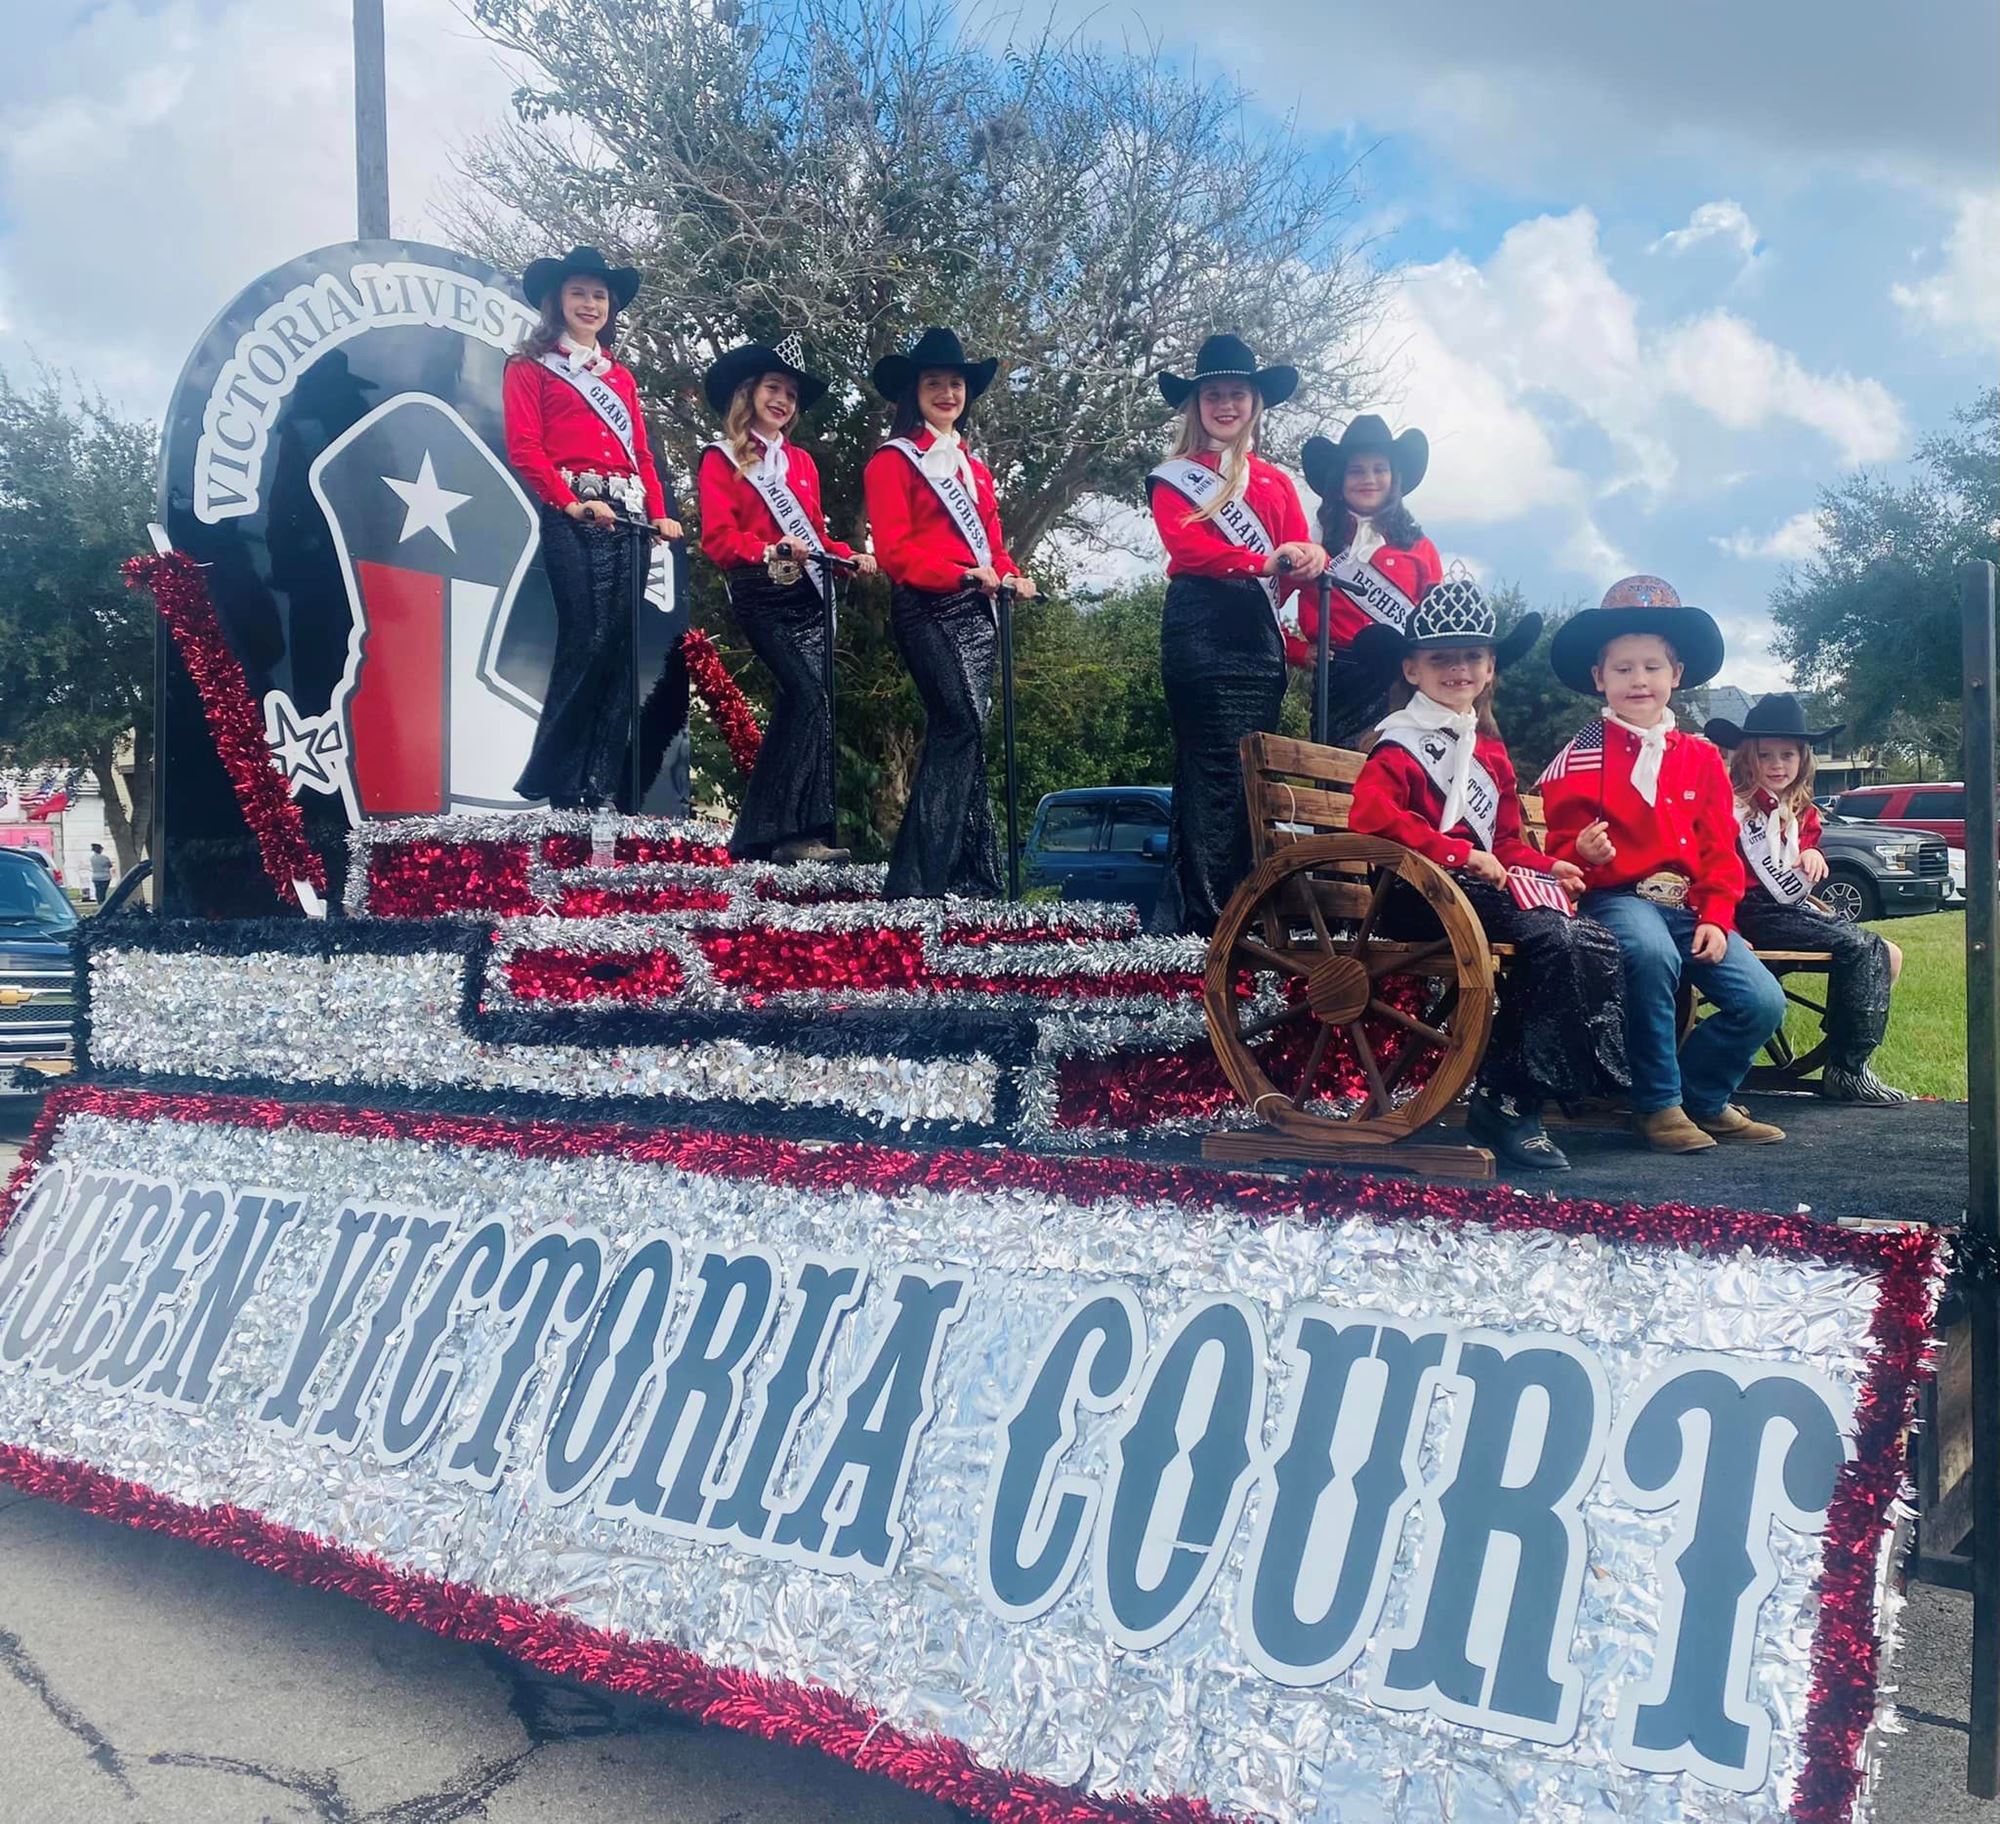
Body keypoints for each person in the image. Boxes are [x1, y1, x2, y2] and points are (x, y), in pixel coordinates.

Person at [1348, 576, 1626, 1169]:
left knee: (1593, 936)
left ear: (1491, 666)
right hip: (1411, 894)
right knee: (1551, 936)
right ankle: (1507, 1103)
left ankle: (1533, 1086)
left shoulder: (1488, 753)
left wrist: (1551, 863)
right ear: (1412, 669)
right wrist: (1454, 855)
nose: (1458, 669)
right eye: (1440, 658)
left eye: (1471, 656)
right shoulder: (1397, 745)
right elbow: (1371, 818)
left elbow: (1502, 843)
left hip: (1472, 893)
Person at [1538, 576, 1788, 1153]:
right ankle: (1657, 1106)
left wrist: (1717, 914)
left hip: (1692, 905)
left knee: (1762, 1001)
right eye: (1623, 669)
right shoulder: (1581, 756)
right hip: (1618, 898)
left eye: (1652, 667)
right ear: (1599, 678)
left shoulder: (1700, 756)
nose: (1638, 680)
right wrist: (1583, 854)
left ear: (1676, 675)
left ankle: (1702, 1097)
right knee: (1648, 954)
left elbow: (1720, 849)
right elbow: (1558, 852)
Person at [1146, 334, 1325, 936]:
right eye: (1214, 394)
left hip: (1258, 636)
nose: (1226, 405)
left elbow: (1298, 555)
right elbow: (1189, 547)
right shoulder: (1175, 476)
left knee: (1249, 766)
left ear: (1254, 404)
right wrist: (1262, 563)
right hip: (1203, 624)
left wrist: (1310, 556)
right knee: (1212, 763)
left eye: (1238, 395)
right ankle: (1207, 914)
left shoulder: (1276, 482)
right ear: (1196, 405)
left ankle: (1228, 909)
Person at [502, 246, 683, 811]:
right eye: (578, 292)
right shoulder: (528, 366)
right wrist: (569, 502)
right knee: (588, 638)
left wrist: (658, 510)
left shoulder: (620, 378)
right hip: (574, 516)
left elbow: (642, 455)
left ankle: (598, 784)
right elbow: (525, 449)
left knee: (621, 648)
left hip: (628, 518)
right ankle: (557, 778)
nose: (589, 303)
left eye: (599, 295)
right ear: (556, 300)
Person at [864, 327, 1036, 900]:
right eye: (934, 382)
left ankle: (971, 877)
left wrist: (1010, 574)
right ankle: (916, 883)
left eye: (955, 383)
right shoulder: (893, 461)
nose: (946, 392)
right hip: (928, 606)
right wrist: (960, 574)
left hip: (978, 612)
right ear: (914, 392)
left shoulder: (975, 468)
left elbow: (993, 543)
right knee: (960, 723)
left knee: (966, 735)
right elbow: (895, 552)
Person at [699, 336, 878, 864]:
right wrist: (768, 548)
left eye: (791, 395)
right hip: (762, 590)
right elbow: (718, 539)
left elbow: (817, 536)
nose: (783, 401)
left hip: (807, 594)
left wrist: (850, 555)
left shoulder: (801, 462)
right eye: (774, 388)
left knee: (813, 705)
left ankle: (787, 836)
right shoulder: (723, 457)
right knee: (804, 696)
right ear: (750, 393)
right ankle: (777, 832)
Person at [1704, 693, 1911, 1106]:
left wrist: (1814, 853)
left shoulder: (1800, 810)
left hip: (1789, 910)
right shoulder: (1732, 809)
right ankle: (1847, 1072)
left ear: (1802, 760)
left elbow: (1807, 850)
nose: (1776, 765)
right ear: (1747, 759)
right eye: (1765, 755)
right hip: (1748, 911)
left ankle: (1847, 1057)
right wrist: (1728, 926)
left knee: (1890, 954)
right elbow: (1712, 870)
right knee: (1860, 946)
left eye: (1787, 755)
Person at [1296, 416, 1444, 745]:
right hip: (1339, 679)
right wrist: (1297, 651)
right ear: (1340, 478)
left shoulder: (1420, 547)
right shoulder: (1313, 540)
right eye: (1357, 470)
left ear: (1394, 478)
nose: (1369, 479)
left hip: (1401, 680)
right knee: (1336, 781)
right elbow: (1269, 596)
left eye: (1379, 469)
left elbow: (1437, 631)